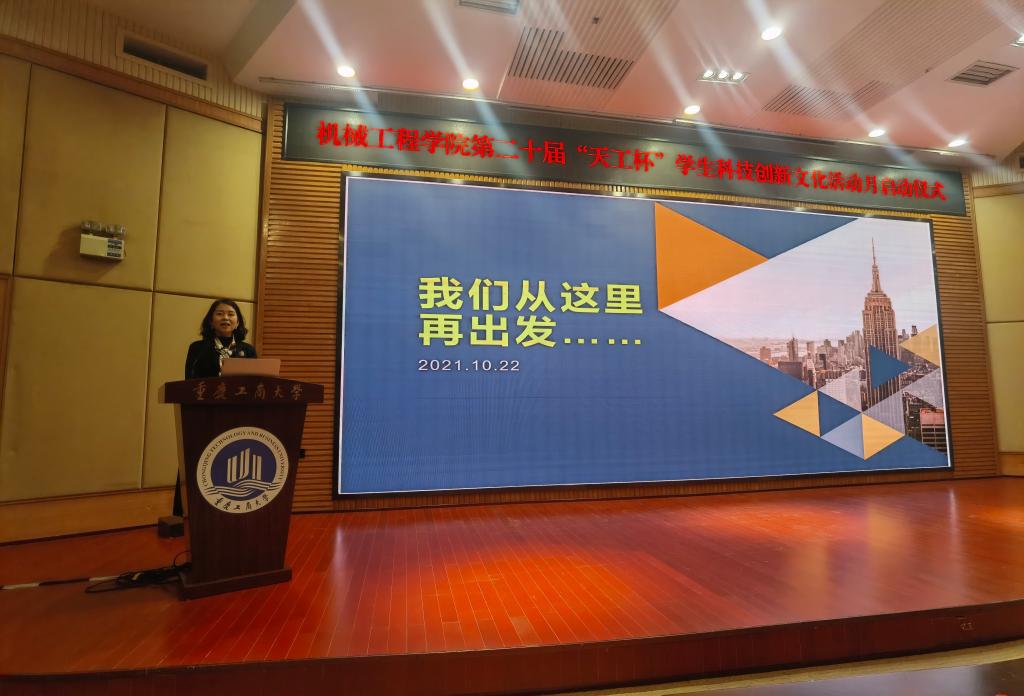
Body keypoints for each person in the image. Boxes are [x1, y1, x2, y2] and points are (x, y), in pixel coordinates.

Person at [184, 299, 258, 379]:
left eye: (231, 314)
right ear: (211, 321)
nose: (225, 318)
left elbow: (254, 381)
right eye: (219, 314)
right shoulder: (197, 348)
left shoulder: (248, 350)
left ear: (237, 322)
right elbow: (189, 381)